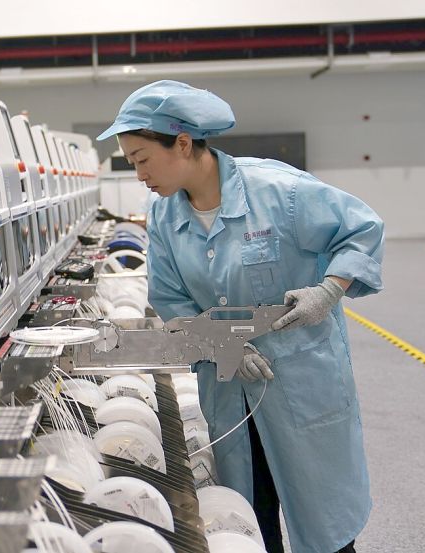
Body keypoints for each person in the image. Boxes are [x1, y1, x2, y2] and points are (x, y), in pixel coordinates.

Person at [97, 80, 384, 553]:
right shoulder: (165, 218)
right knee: (246, 520)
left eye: (142, 159)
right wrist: (219, 344)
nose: (138, 175)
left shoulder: (280, 192)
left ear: (183, 144)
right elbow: (170, 300)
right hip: (229, 386)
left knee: (324, 523)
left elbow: (362, 230)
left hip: (300, 381)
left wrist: (328, 292)